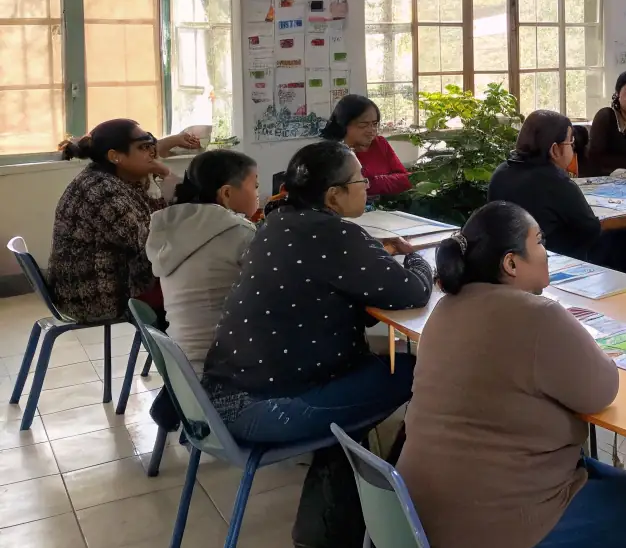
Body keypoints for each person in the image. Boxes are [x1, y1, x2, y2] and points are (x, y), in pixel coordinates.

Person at [400, 201, 626, 548]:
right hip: (483, 539)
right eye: (539, 242)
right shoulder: (539, 316)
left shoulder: (445, 309)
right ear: (510, 263)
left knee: (592, 470)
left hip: (420, 521)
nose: (546, 252)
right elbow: (602, 390)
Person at [201, 140, 432, 444]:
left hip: (221, 395)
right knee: (418, 370)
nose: (366, 185)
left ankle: (343, 455)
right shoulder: (334, 234)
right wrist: (416, 257)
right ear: (333, 196)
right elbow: (412, 291)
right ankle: (368, 466)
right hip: (269, 410)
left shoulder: (276, 222)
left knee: (382, 358)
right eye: (360, 179)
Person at [48, 119, 201, 322]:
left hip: (97, 285)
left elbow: (148, 218)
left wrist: (165, 180)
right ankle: (172, 351)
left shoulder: (111, 178)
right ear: (115, 156)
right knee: (193, 291)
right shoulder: (103, 191)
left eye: (151, 147)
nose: (151, 154)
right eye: (143, 148)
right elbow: (151, 247)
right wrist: (169, 179)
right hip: (93, 297)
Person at [145, 149, 258, 374]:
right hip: (225, 373)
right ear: (226, 193)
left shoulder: (171, 227)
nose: (258, 193)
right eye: (254, 186)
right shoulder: (239, 232)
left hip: (184, 372)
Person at [488, 110, 603, 262]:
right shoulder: (557, 183)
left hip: (508, 266)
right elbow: (591, 229)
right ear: (555, 149)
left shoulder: (501, 172)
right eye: (571, 143)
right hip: (553, 265)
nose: (572, 148)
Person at [322, 93, 412, 197]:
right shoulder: (334, 154)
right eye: (363, 125)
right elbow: (349, 191)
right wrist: (388, 182)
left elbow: (407, 179)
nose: (371, 130)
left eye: (374, 124)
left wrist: (372, 182)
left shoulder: (380, 143)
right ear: (344, 124)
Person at [583, 71, 626, 177]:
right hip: (603, 180)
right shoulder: (606, 116)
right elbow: (594, 158)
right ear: (618, 94)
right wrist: (620, 174)